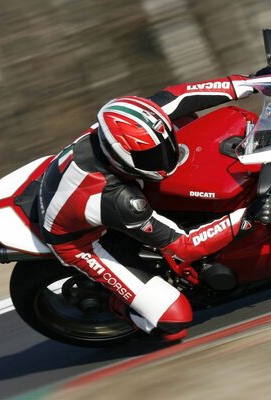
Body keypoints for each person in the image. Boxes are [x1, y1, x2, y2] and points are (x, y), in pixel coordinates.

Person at [38, 75, 256, 341]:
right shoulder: (119, 199)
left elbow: (182, 95)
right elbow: (184, 246)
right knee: (174, 322)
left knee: (184, 117)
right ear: (119, 156)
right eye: (150, 156)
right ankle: (119, 305)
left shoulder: (135, 121)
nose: (164, 158)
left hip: (76, 191)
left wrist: (248, 83)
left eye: (162, 148)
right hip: (80, 243)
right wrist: (248, 217)